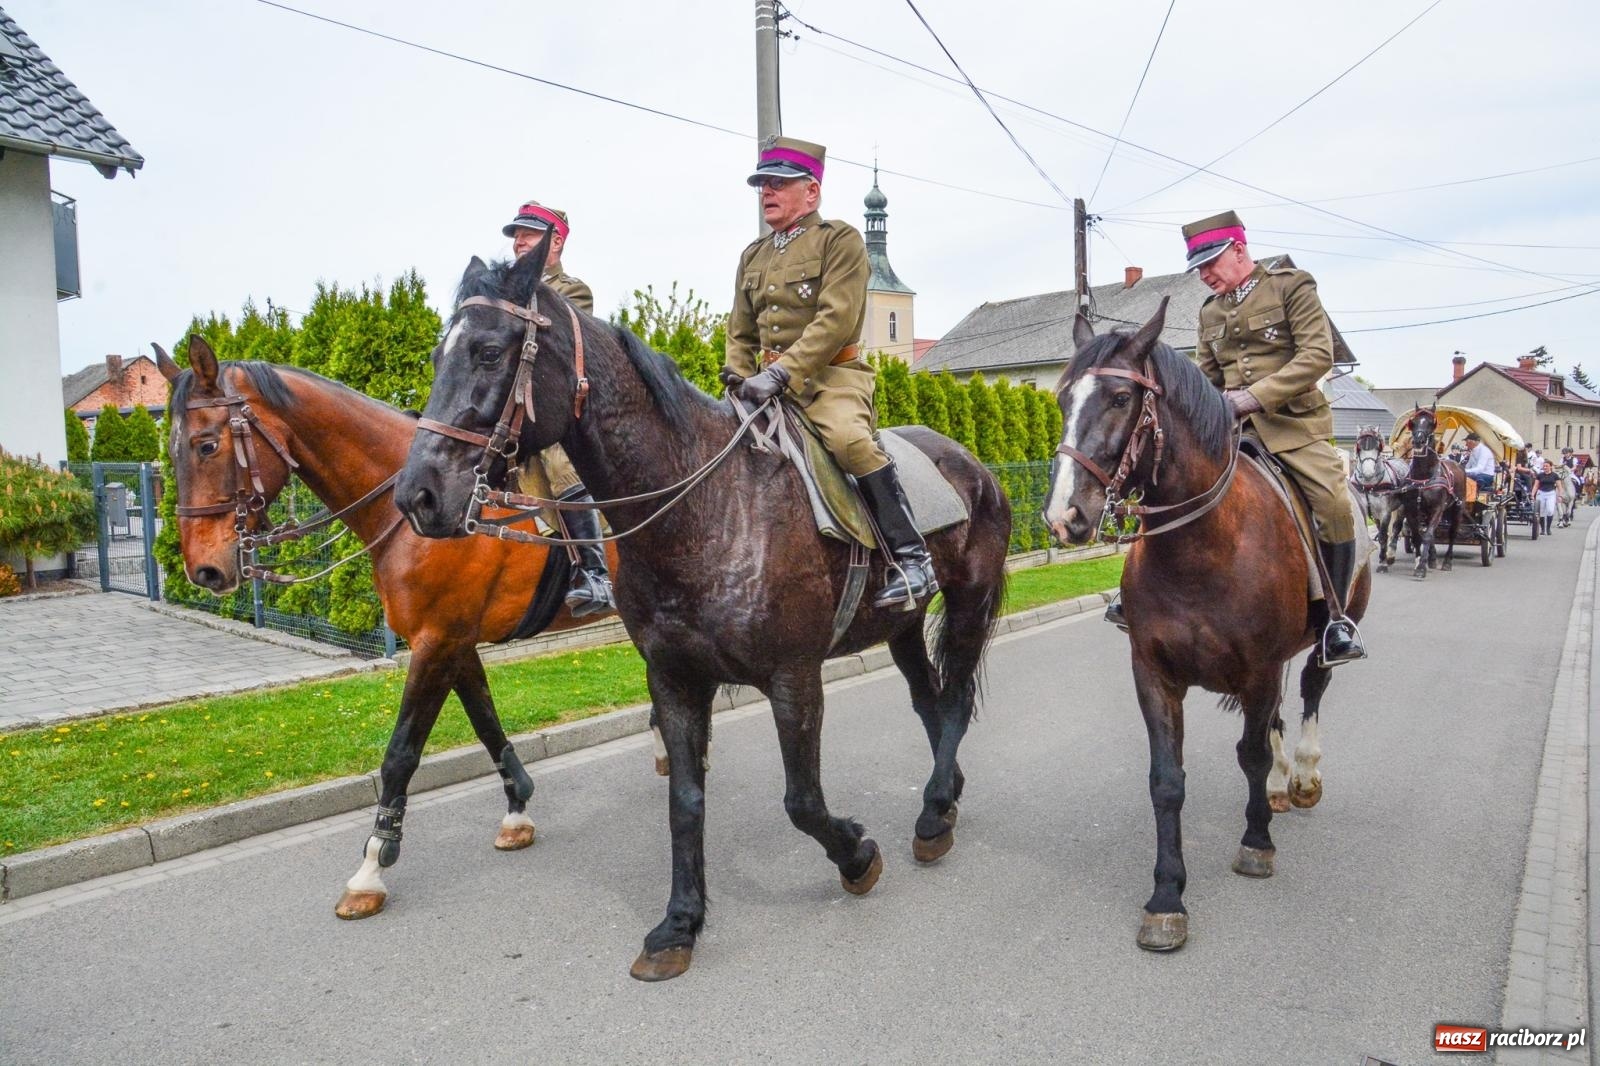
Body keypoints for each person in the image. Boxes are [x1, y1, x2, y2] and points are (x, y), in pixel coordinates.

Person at [1121, 210, 1365, 663]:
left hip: (1294, 430)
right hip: (1230, 432)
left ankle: (1334, 619)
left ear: (1238, 250)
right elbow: (1207, 377)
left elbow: (1317, 356)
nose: (1206, 275)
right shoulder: (1210, 312)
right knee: (1169, 485)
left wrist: (1252, 398)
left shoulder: (1291, 287)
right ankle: (1135, 594)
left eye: (1212, 262)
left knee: (1332, 502)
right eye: (1200, 268)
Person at [722, 136, 936, 610]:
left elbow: (835, 320)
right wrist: (737, 382)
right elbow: (739, 331)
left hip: (830, 382)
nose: (767, 192)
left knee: (849, 443)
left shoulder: (839, 240)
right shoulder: (752, 256)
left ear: (811, 192)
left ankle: (913, 558)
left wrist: (781, 375)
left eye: (779, 183)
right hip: (763, 388)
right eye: (763, 184)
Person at [501, 200, 613, 618]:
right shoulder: (506, 294)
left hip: (561, 411)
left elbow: (556, 355)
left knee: (555, 456)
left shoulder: (571, 290)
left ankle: (595, 573)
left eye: (529, 234)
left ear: (556, 242)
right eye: (516, 236)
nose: (519, 242)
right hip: (515, 410)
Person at [1461, 432, 1497, 499]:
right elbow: (1468, 465)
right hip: (1478, 474)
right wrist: (1460, 470)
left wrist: (1465, 471)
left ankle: (1470, 499)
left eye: (1467, 442)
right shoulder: (1473, 451)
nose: (1466, 444)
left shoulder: (1484, 451)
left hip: (1486, 475)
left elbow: (1480, 469)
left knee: (1471, 478)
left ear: (1473, 442)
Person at [1534, 460, 1560, 535]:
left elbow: (1559, 486)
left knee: (1550, 510)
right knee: (1541, 512)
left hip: (1551, 493)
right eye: (1544, 466)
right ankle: (1542, 529)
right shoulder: (1540, 475)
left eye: (1547, 466)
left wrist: (1560, 495)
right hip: (1541, 493)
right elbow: (1536, 486)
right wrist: (1532, 494)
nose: (1545, 467)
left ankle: (1548, 528)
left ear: (1550, 467)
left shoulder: (1555, 475)